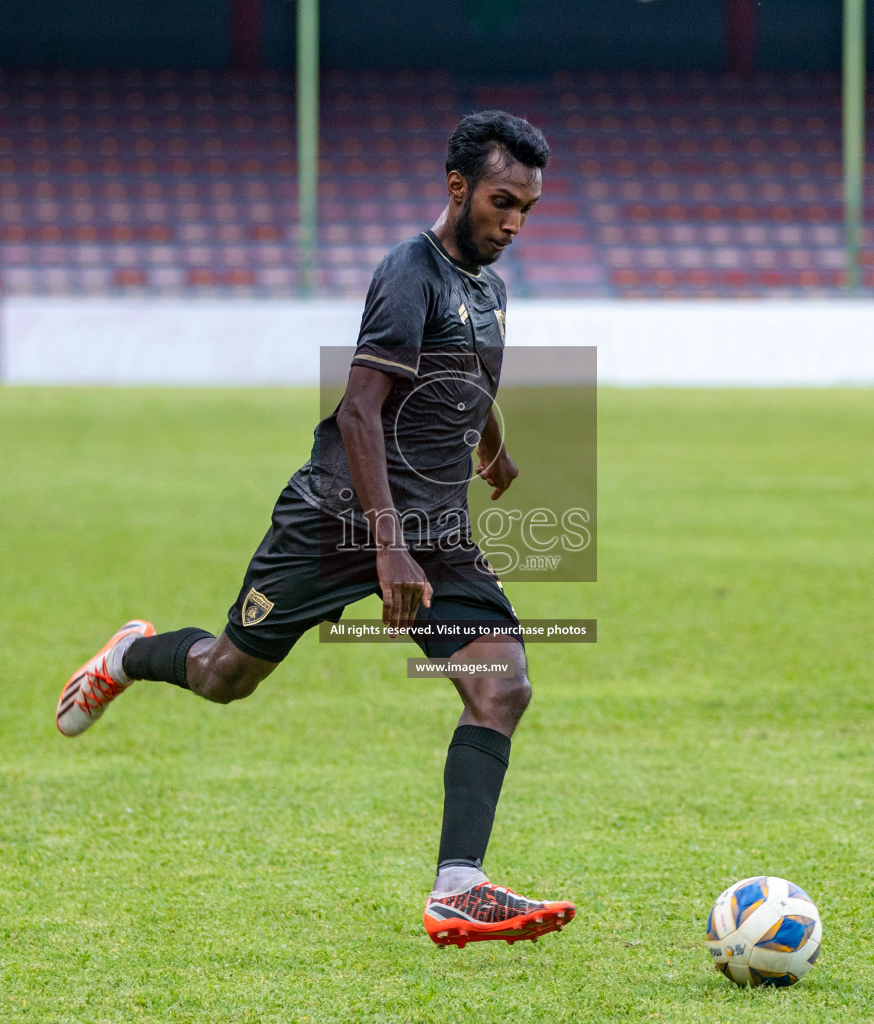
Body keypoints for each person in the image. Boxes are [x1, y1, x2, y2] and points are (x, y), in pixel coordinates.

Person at [55, 111, 576, 948]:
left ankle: (458, 887)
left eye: (528, 208)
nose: (514, 222)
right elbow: (360, 410)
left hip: (437, 530)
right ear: (458, 188)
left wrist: (495, 449)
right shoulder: (410, 272)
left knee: (501, 685)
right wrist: (387, 543)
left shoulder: (490, 287)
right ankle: (127, 654)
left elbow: (464, 381)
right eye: (502, 202)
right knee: (226, 676)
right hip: (336, 522)